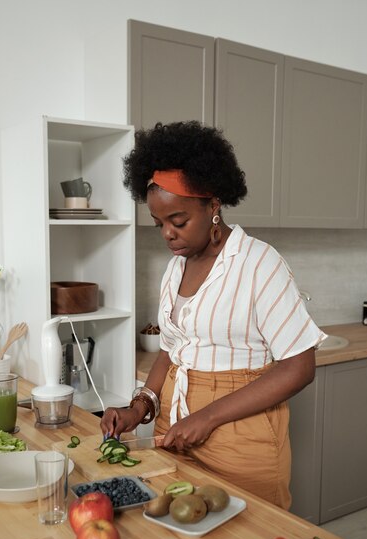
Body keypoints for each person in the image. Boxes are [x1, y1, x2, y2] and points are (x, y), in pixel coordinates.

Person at [100, 121, 326, 510]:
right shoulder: (176, 267)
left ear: (213, 206)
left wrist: (208, 417)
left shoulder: (259, 264)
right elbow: (171, 351)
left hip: (239, 441)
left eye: (179, 221)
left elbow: (299, 367)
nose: (168, 234)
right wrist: (140, 407)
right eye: (159, 224)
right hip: (174, 426)